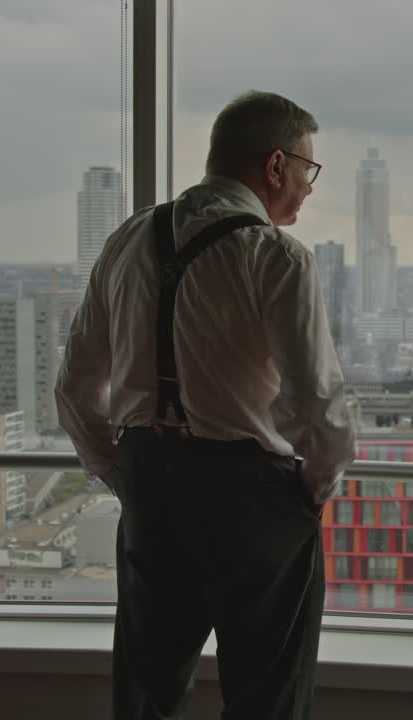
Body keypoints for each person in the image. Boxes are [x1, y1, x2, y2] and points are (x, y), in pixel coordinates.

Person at [56, 90, 355, 720]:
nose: (308, 186)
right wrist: (310, 493)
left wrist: (117, 471)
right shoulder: (276, 254)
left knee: (147, 691)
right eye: (307, 169)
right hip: (252, 496)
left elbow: (78, 384)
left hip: (151, 484)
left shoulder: (130, 238)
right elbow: (319, 404)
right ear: (275, 167)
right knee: (267, 695)